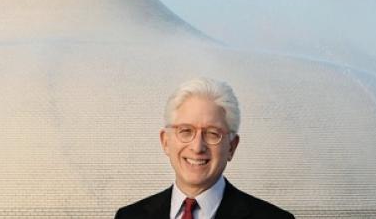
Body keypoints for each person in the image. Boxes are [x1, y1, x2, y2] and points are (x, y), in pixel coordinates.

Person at [115, 78, 294, 219]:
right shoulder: (128, 216)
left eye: (212, 133)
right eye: (185, 131)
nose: (197, 147)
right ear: (166, 141)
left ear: (232, 146)